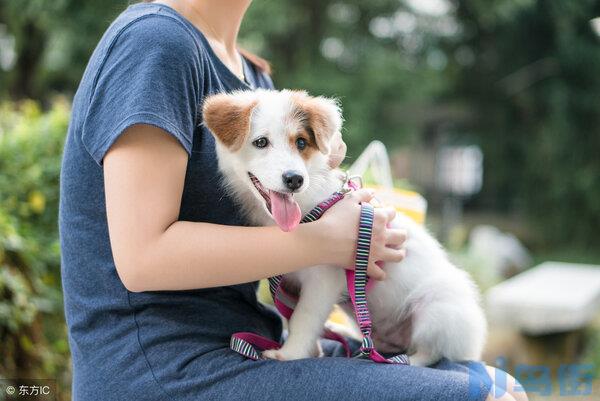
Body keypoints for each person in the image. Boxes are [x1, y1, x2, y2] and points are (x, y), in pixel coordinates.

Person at [59, 0, 527, 400]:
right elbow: (143, 258)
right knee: (488, 395)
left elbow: (293, 227)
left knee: (478, 376)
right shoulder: (156, 43)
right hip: (161, 370)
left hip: (246, 342)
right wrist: (326, 241)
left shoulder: (254, 77)